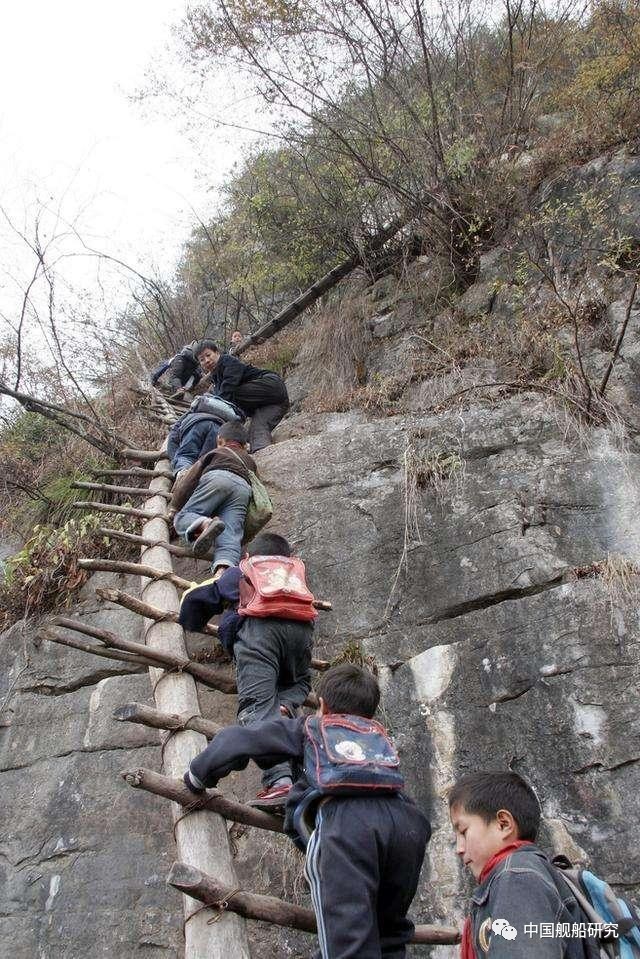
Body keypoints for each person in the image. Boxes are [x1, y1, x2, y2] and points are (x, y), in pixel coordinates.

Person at [183, 664, 432, 959]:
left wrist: (197, 776)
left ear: (322, 706)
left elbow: (237, 740)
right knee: (389, 933)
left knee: (346, 944)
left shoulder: (312, 727)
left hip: (347, 827)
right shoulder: (378, 738)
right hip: (409, 824)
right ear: (371, 714)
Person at [180, 532, 316, 806]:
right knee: (297, 685)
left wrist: (191, 622)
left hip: (259, 636)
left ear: (247, 556)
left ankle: (279, 782)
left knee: (256, 709)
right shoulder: (293, 576)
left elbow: (195, 601)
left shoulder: (244, 570)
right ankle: (286, 707)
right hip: (301, 636)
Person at [449, 771, 601, 958]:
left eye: (463, 831)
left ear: (504, 824)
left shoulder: (517, 879)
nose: (459, 848)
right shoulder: (526, 875)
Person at [173, 421, 256, 575]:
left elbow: (189, 480)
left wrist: (174, 506)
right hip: (243, 489)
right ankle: (222, 573)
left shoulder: (215, 453)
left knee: (183, 517)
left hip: (217, 478)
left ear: (219, 440)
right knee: (230, 534)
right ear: (245, 445)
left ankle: (204, 524)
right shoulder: (250, 461)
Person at [196, 339, 289, 453]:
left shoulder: (228, 362)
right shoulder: (216, 377)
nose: (207, 360)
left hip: (271, 385)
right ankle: (263, 452)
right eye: (202, 360)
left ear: (217, 352)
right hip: (275, 403)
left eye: (208, 355)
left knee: (229, 396)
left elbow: (225, 395)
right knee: (256, 431)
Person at [167, 396, 245, 477]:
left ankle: (183, 476)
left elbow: (173, 435)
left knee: (187, 455)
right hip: (219, 429)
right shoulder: (227, 415)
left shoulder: (191, 412)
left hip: (196, 424)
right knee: (206, 462)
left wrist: (175, 460)